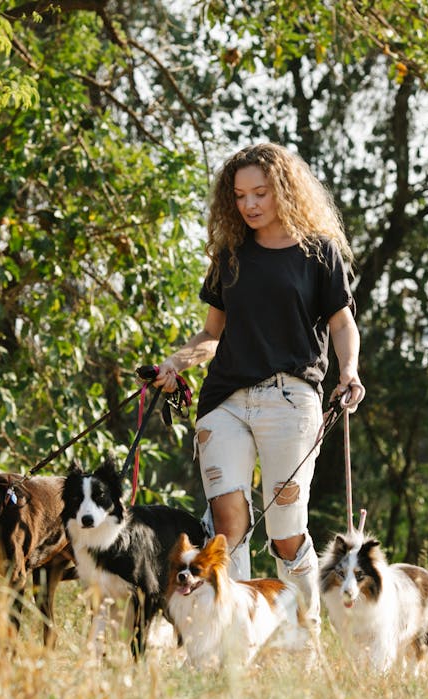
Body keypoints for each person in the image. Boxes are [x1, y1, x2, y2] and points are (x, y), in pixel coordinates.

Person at [154, 142, 365, 631]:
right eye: (241, 195)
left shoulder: (319, 252)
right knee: (228, 526)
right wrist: (176, 363)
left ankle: (302, 631)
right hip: (224, 402)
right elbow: (212, 333)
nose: (249, 205)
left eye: (261, 193)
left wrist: (349, 370)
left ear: (284, 191)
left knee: (286, 532)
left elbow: (341, 322)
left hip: (291, 400)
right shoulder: (230, 256)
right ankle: (234, 636)